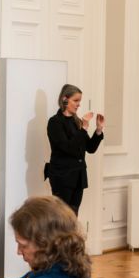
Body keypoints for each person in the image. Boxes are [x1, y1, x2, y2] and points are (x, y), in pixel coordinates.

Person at [44, 83, 104, 214]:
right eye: (76, 100)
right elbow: (68, 148)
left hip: (78, 177)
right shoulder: (55, 122)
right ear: (65, 99)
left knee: (73, 215)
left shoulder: (76, 121)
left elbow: (90, 148)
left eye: (79, 101)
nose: (78, 104)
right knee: (62, 216)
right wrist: (84, 129)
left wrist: (98, 130)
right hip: (62, 177)